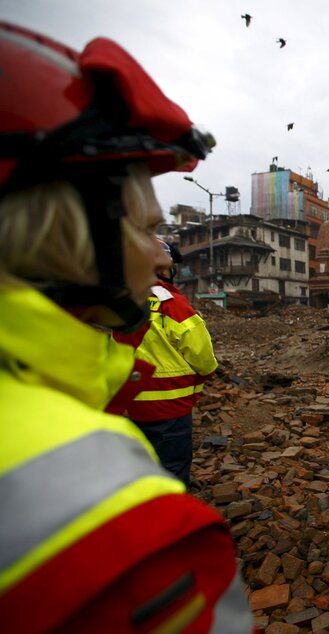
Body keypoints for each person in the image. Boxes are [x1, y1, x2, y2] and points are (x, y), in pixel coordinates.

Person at [0, 22, 254, 631]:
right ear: (68, 241)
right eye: (142, 229)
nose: (152, 252)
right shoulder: (114, 514)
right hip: (166, 411)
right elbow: (199, 349)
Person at [113, 239, 218, 486]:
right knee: (172, 466)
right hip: (172, 406)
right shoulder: (171, 303)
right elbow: (201, 352)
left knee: (144, 466)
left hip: (136, 405)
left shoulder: (123, 304)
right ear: (162, 267)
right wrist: (206, 372)